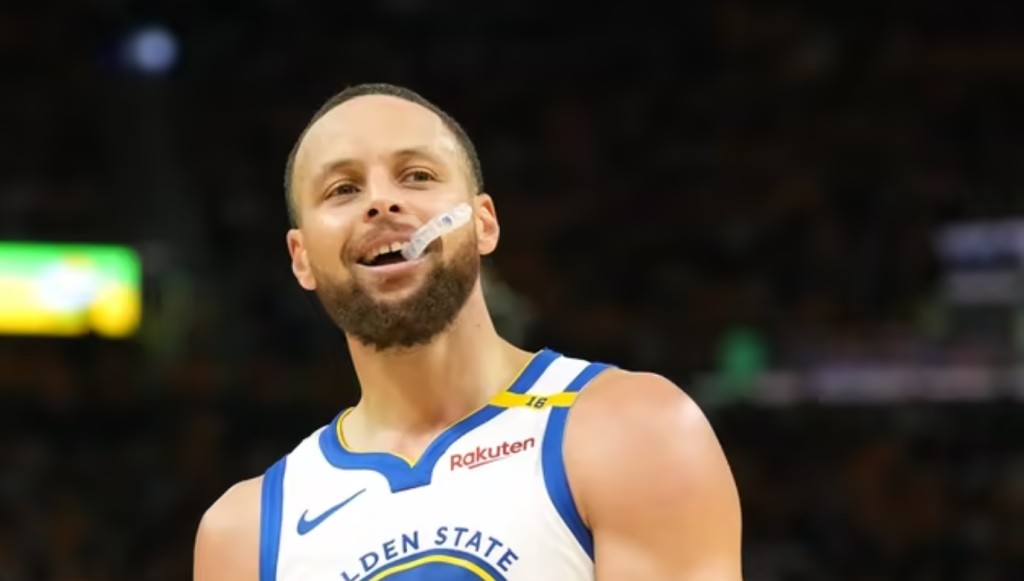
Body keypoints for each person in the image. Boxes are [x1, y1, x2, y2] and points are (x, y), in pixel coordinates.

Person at [193, 83, 742, 580]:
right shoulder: (243, 536)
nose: (381, 202)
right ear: (301, 257)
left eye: (417, 175)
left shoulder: (633, 430)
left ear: (484, 223)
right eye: (342, 189)